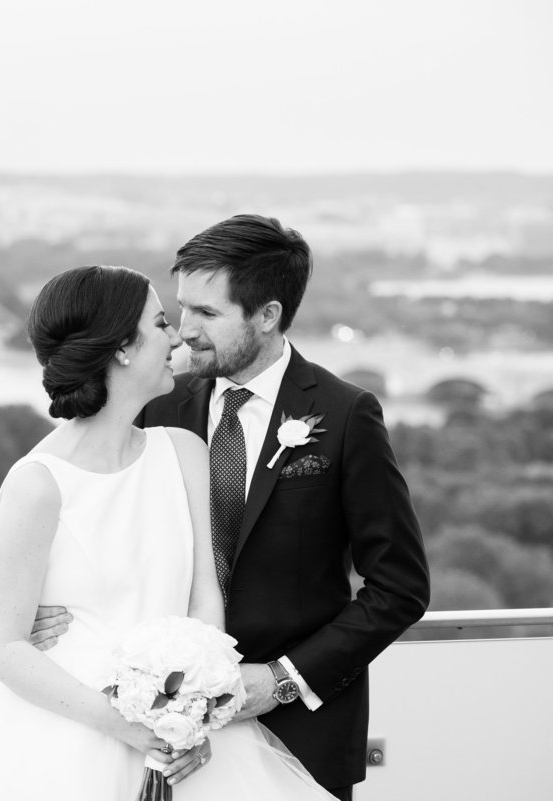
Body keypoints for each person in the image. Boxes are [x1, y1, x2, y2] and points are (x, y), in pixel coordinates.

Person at [32, 216, 431, 800]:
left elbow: (400, 586)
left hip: (301, 731)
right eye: (181, 309)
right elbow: (76, 498)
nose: (184, 332)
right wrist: (44, 601)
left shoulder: (347, 417)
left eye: (208, 315)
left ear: (266, 315)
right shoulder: (158, 401)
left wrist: (283, 681)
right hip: (156, 721)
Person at [0, 264, 333, 800]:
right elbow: (0, 646)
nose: (177, 335)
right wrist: (131, 728)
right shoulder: (37, 484)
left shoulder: (183, 451)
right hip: (68, 733)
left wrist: (195, 717)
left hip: (188, 737)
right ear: (121, 349)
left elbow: (204, 596)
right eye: (161, 324)